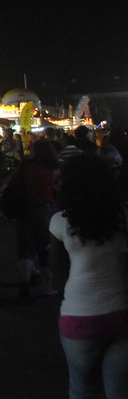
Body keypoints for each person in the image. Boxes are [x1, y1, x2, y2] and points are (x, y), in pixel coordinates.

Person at [48, 154, 128, 399]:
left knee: (81, 388)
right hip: (121, 311)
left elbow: (56, 271)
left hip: (79, 314)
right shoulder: (123, 214)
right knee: (119, 391)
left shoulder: (60, 221)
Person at [17, 138, 60, 299]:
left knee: (25, 249)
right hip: (46, 209)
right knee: (45, 249)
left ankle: (25, 281)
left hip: (24, 208)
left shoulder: (26, 166)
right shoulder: (54, 168)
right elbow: (57, 188)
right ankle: (47, 286)